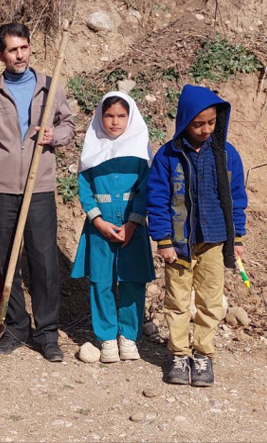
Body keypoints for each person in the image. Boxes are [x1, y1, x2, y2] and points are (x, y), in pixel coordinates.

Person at [0, 22, 75, 362]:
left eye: (24, 48)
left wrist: (54, 135)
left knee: (44, 262)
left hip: (39, 186)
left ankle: (47, 334)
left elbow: (69, 125)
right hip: (2, 191)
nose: (20, 55)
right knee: (6, 262)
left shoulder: (49, 86)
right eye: (13, 50)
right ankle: (15, 328)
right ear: (0, 54)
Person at [147, 85, 247, 387]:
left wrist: (237, 238)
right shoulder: (168, 155)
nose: (206, 130)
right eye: (198, 124)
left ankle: (203, 354)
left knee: (210, 300)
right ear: (184, 122)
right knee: (177, 300)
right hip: (178, 244)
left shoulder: (227, 155)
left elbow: (236, 198)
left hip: (214, 240)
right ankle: (179, 354)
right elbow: (157, 198)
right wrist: (163, 239)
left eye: (211, 122)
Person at [70, 92, 154, 363]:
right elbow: (85, 188)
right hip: (100, 230)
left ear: (130, 117)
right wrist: (98, 221)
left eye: (121, 116)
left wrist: (133, 223)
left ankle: (128, 337)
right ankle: (106, 337)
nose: (115, 121)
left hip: (133, 229)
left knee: (132, 281)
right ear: (100, 117)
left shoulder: (140, 150)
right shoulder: (92, 148)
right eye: (108, 116)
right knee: (101, 282)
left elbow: (146, 189)